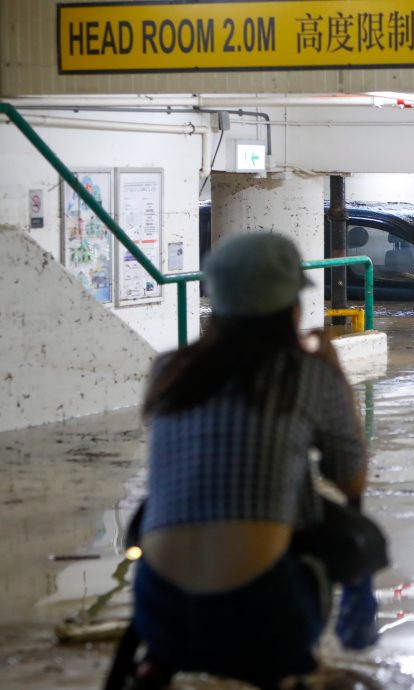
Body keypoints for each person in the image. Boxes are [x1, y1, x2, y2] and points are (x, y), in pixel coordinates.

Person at [130, 233, 369, 690]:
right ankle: (286, 671)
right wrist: (335, 374)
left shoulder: (170, 370)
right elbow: (351, 478)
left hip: (158, 610)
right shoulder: (307, 374)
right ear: (292, 309)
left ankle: (155, 663)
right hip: (263, 616)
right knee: (338, 536)